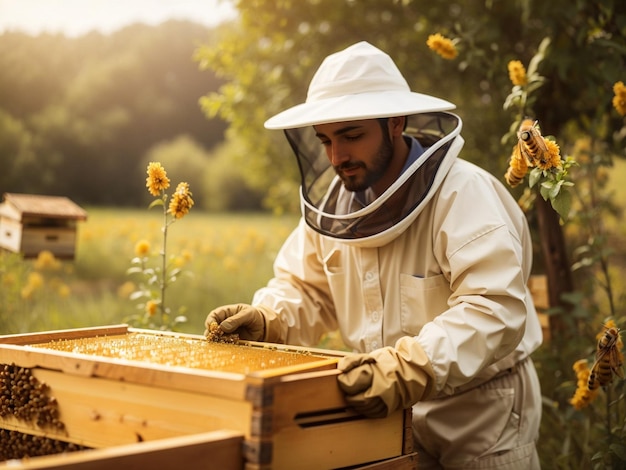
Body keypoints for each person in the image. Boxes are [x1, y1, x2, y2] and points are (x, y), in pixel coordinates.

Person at [205, 41, 542, 469]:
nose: (336, 157)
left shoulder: (461, 192)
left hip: (481, 411)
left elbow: (495, 306)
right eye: (325, 140)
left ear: (395, 123)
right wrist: (270, 319)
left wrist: (413, 365)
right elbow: (306, 290)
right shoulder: (336, 209)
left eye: (351, 136)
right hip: (387, 409)